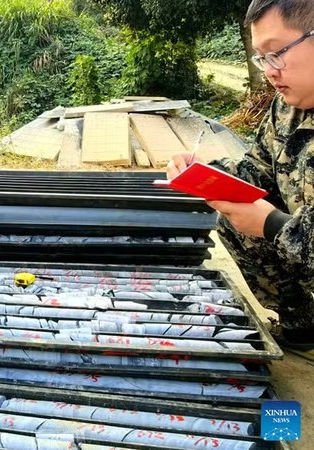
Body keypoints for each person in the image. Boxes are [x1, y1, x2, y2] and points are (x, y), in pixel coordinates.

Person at [167, 0, 314, 356]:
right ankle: (304, 326)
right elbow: (259, 170)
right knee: (232, 214)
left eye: (277, 53)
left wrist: (272, 224)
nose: (269, 72)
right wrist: (206, 174)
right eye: (262, 58)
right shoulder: (289, 107)